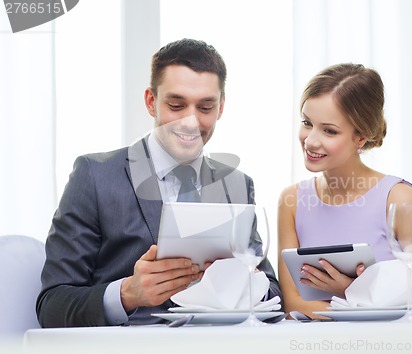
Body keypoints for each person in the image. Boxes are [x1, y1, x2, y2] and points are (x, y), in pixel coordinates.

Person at [37, 38, 281, 327]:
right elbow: (51, 306)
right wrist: (127, 294)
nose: (190, 122)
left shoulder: (237, 184)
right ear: (151, 102)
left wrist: (246, 282)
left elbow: (273, 295)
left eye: (205, 108)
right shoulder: (94, 175)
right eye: (176, 105)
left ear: (221, 107)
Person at [277, 63, 412, 319]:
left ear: (361, 137)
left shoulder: (399, 199)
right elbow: (293, 306)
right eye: (307, 123)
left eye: (329, 130)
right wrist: (363, 303)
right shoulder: (291, 202)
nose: (310, 140)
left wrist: (352, 292)